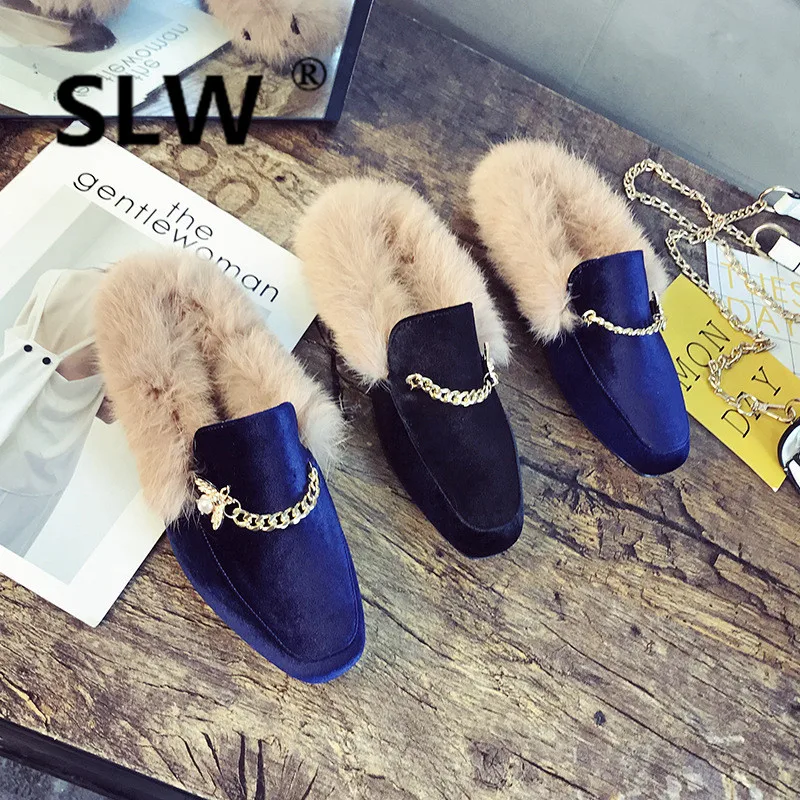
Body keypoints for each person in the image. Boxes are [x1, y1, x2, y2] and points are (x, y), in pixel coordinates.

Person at [0, 268, 109, 557]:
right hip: (39, 463)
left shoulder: (54, 278)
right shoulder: (129, 324)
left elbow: (18, 340)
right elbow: (109, 412)